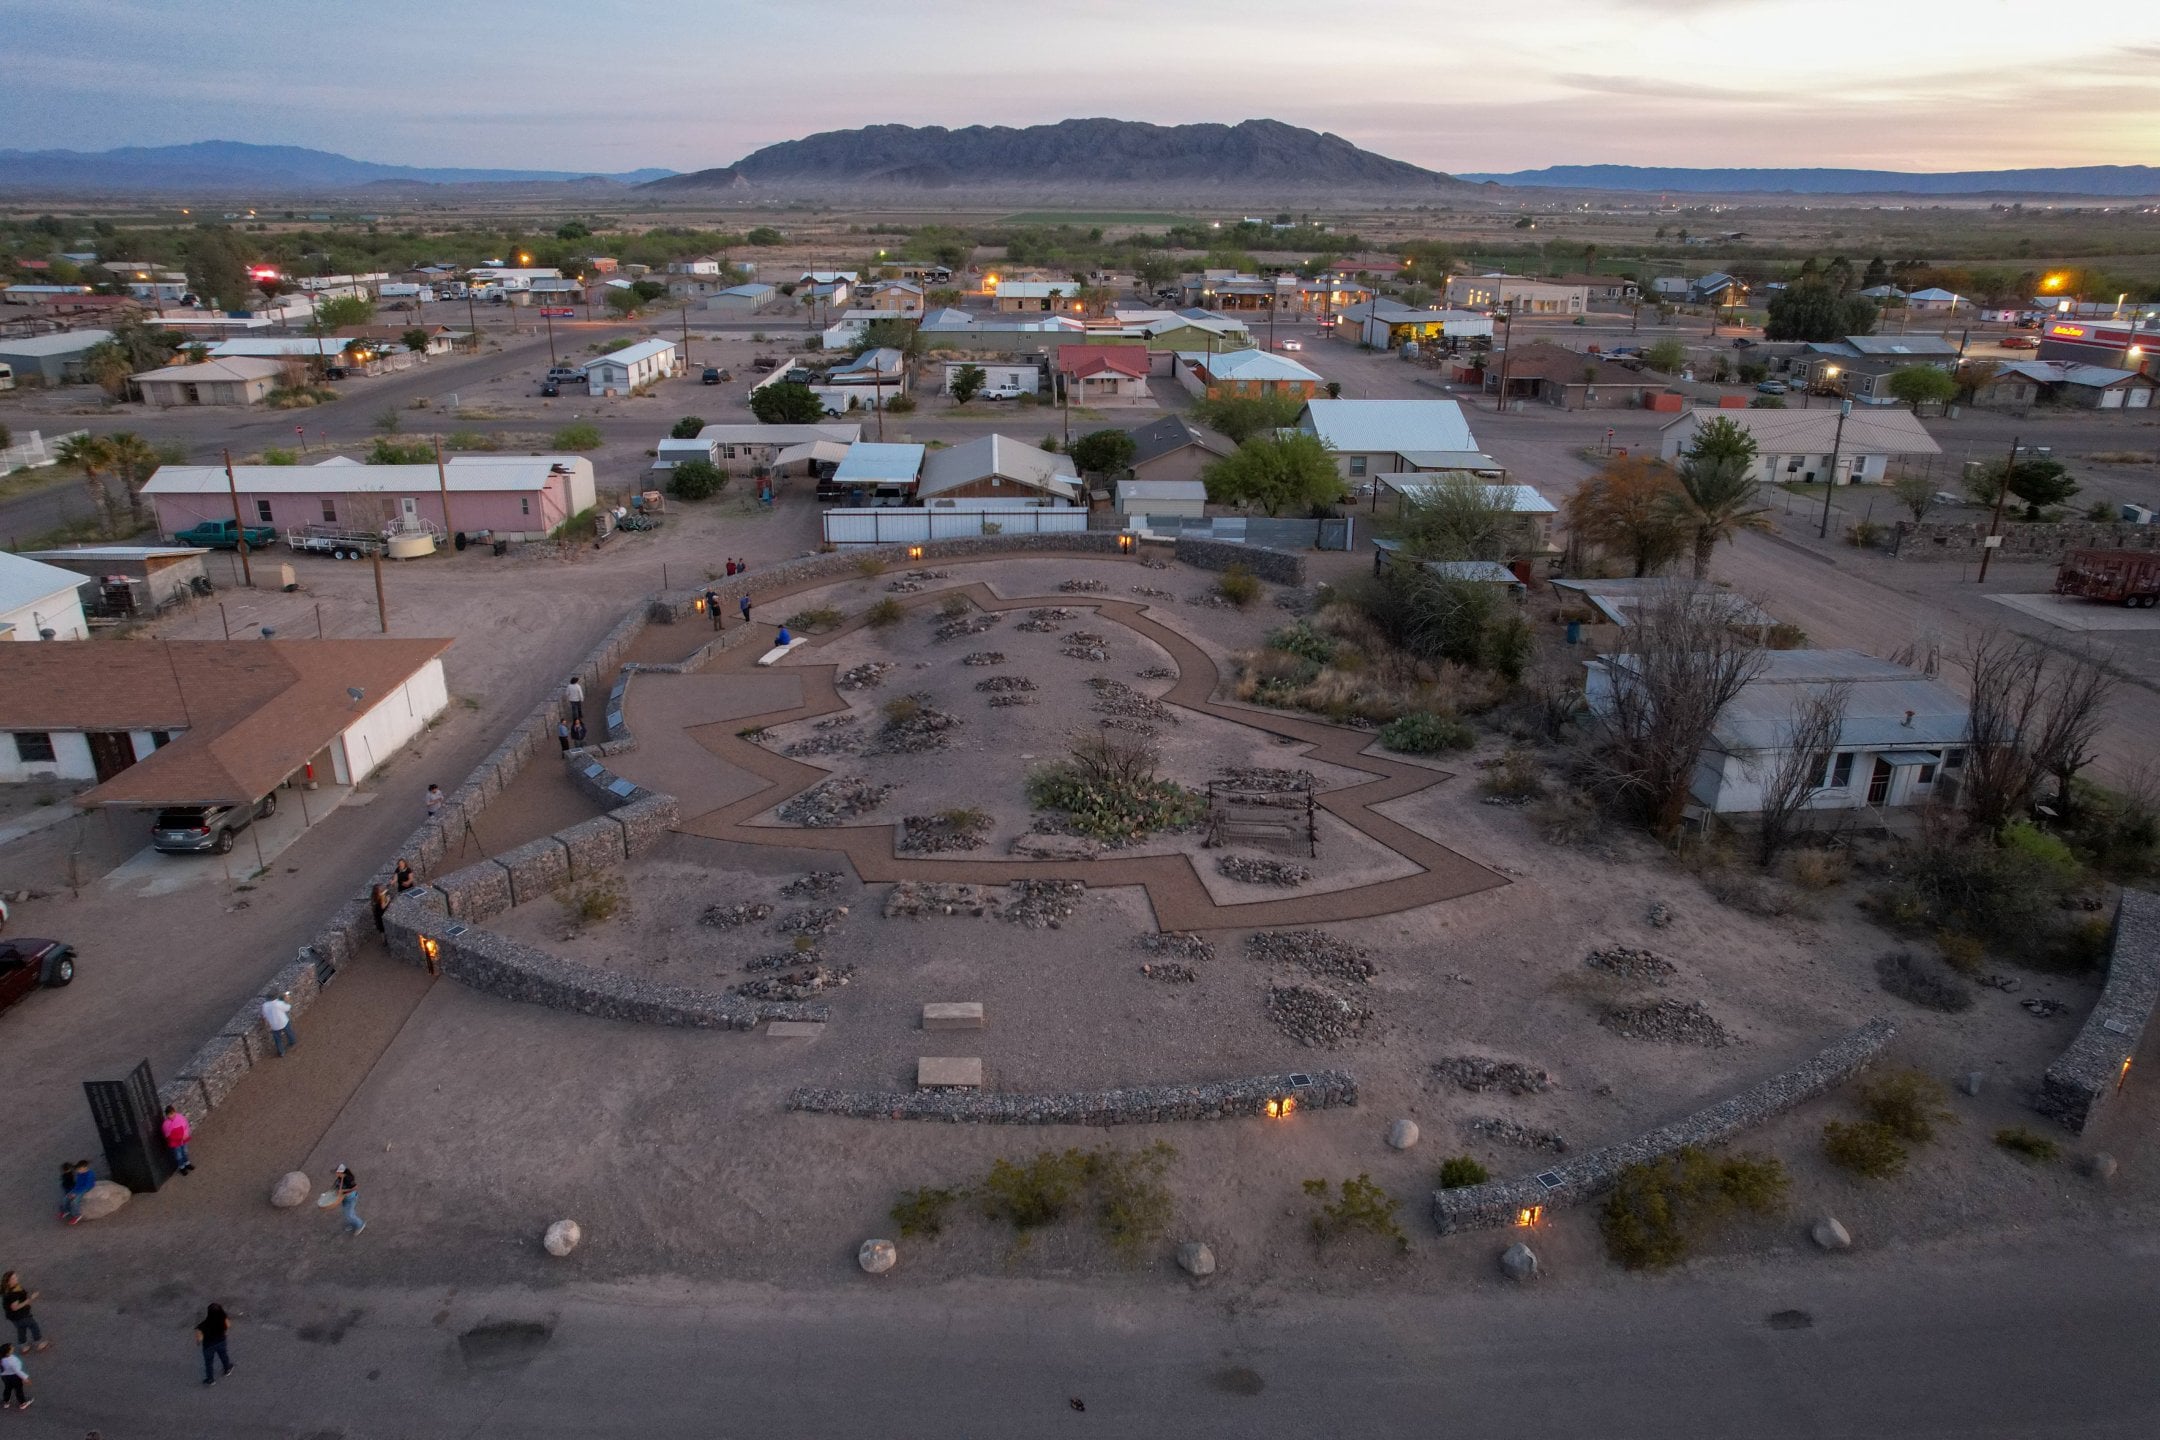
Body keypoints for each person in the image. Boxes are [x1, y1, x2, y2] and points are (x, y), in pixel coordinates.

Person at [1, 1273, 43, 1352]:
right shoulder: (13, 1293)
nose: (16, 1278)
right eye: (13, 1278)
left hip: (13, 1317)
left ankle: (23, 1346)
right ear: (8, 1282)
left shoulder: (7, 1290)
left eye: (15, 1276)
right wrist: (30, 1299)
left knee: (21, 1329)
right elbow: (15, 1307)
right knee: (34, 1326)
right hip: (22, 1315)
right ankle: (39, 1343)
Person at [194, 1303, 232, 1386]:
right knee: (223, 1355)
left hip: (208, 1346)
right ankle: (227, 1369)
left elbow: (199, 1339)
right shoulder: (223, 1318)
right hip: (221, 1341)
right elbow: (228, 1325)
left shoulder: (202, 1326)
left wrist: (198, 1342)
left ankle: (210, 1379)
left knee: (208, 1363)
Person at [261, 992, 296, 1057]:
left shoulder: (265, 1006)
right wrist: (288, 1001)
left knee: (278, 1039)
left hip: (274, 1025)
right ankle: (292, 1041)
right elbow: (288, 1008)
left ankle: (281, 1052)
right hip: (283, 1022)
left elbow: (264, 1015)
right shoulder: (279, 1003)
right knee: (289, 1032)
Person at [161, 1105, 194, 1175]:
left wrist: (186, 1134)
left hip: (183, 1139)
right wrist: (178, 1137)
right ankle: (182, 1167)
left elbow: (186, 1126)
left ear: (174, 1112)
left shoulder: (180, 1117)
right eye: (169, 1114)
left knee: (185, 1152)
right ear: (167, 1115)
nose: (171, 1116)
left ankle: (187, 1163)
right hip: (175, 1143)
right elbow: (167, 1134)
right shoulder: (166, 1124)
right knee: (178, 1155)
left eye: (172, 1113)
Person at [333, 1165, 364, 1236]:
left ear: (340, 1172)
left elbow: (355, 1187)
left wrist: (343, 1190)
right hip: (344, 1197)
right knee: (347, 1213)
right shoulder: (340, 1177)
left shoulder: (348, 1179)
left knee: (349, 1215)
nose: (336, 1173)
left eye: (336, 1172)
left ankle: (360, 1225)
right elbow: (338, 1184)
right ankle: (353, 1223)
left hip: (351, 1198)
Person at [0, 1343, 28, 1410]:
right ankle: (22, 1403)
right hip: (14, 1377)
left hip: (5, 1377)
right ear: (7, 1353)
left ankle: (6, 1402)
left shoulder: (1, 1359)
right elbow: (17, 1371)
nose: (13, 1348)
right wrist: (25, 1378)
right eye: (11, 1348)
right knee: (18, 1389)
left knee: (7, 1388)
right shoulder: (12, 1360)